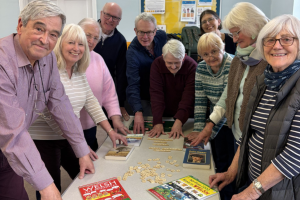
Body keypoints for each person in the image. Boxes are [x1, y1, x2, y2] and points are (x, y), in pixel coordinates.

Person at [0, 1, 94, 200]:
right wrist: (47, 186)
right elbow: (12, 132)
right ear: (20, 25)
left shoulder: (47, 58)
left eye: (53, 34)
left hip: (8, 154)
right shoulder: (2, 62)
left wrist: (82, 151)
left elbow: (60, 103)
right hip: (10, 140)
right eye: (39, 28)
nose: (44, 40)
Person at [28, 24, 127, 199]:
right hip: (43, 139)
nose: (76, 48)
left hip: (69, 135)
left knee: (87, 174)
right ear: (60, 43)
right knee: (50, 189)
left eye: (81, 44)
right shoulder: (48, 68)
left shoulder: (78, 69)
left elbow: (91, 101)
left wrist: (110, 130)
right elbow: (48, 113)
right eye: (71, 43)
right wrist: (79, 143)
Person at [210, 14, 300, 200]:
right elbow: (247, 134)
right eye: (270, 40)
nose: (277, 45)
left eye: (286, 39)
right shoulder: (264, 81)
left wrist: (251, 192)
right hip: (255, 183)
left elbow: (295, 153)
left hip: (282, 191)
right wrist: (231, 172)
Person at [189, 3, 269, 153]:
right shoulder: (241, 58)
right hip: (238, 134)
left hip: (255, 137)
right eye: (233, 34)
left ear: (254, 25)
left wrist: (211, 129)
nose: (234, 39)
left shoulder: (267, 59)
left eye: (237, 32)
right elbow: (227, 96)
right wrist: (205, 127)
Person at [78, 18, 131, 152]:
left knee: (92, 165)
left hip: (90, 124)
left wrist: (115, 119)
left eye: (96, 38)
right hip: (63, 130)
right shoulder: (65, 59)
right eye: (87, 35)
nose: (91, 41)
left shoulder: (98, 59)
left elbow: (109, 93)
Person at [193, 32, 235, 200]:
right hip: (213, 120)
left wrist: (209, 129)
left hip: (231, 121)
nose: (210, 57)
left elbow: (226, 102)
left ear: (223, 48)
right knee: (216, 160)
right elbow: (200, 100)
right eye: (205, 54)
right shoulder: (201, 68)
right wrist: (198, 130)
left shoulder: (232, 64)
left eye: (214, 51)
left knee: (229, 165)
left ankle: (228, 196)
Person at [126, 12, 167, 134]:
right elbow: (133, 84)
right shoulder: (132, 53)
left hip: (164, 93)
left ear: (155, 31)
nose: (145, 36)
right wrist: (138, 112)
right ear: (135, 31)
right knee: (148, 132)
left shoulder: (162, 37)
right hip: (144, 96)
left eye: (149, 32)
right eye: (141, 32)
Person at [148, 39, 196, 139]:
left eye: (177, 62)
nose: (173, 67)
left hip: (187, 115)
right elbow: (156, 94)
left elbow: (189, 96)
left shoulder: (192, 66)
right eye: (169, 63)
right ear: (163, 57)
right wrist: (157, 121)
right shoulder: (157, 64)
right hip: (164, 113)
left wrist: (179, 121)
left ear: (184, 57)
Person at [93, 3, 129, 121]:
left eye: (115, 18)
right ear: (101, 14)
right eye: (107, 15)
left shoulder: (120, 40)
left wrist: (120, 103)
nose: (110, 20)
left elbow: (120, 73)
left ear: (119, 21)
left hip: (105, 90)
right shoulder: (87, 31)